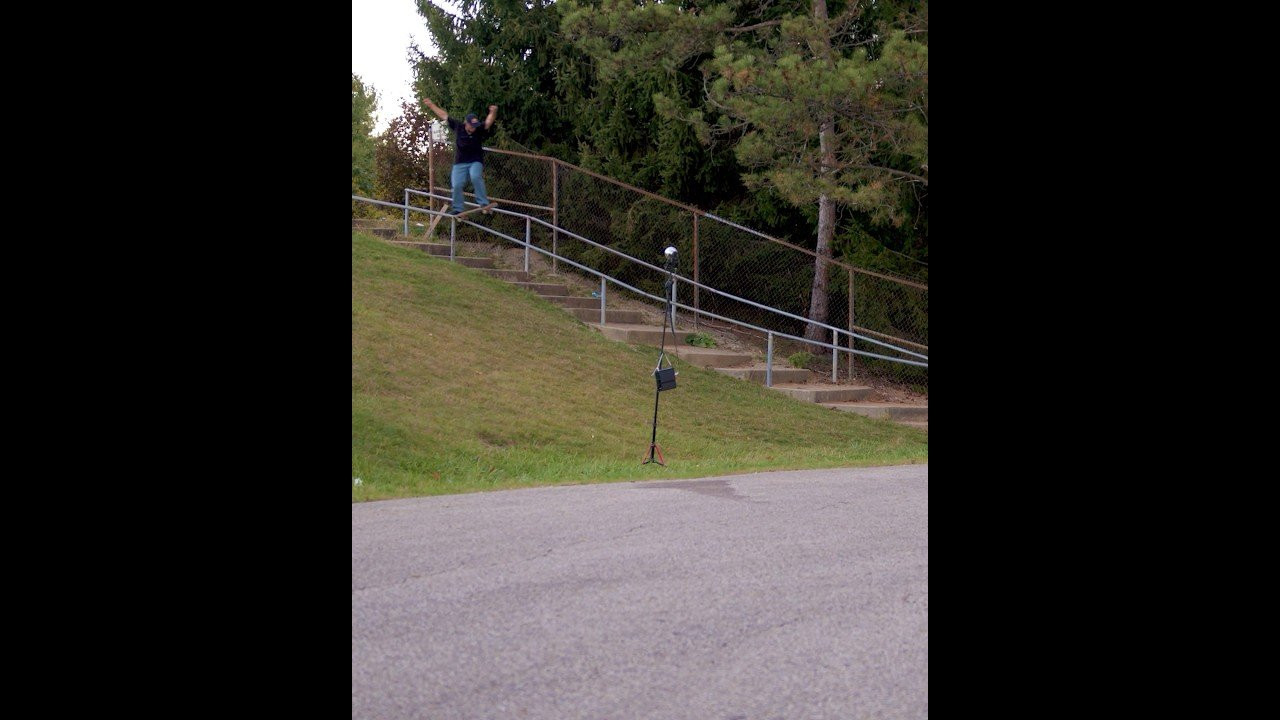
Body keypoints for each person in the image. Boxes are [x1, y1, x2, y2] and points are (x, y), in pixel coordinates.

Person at [420, 97, 498, 215]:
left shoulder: (478, 129)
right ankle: (457, 209)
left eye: (475, 126)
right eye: (471, 126)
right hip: (460, 162)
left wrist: (493, 112)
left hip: (475, 161)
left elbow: (488, 122)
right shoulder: (458, 126)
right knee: (456, 184)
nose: (473, 128)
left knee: (475, 176)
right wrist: (431, 105)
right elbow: (443, 115)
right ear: (466, 123)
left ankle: (483, 203)